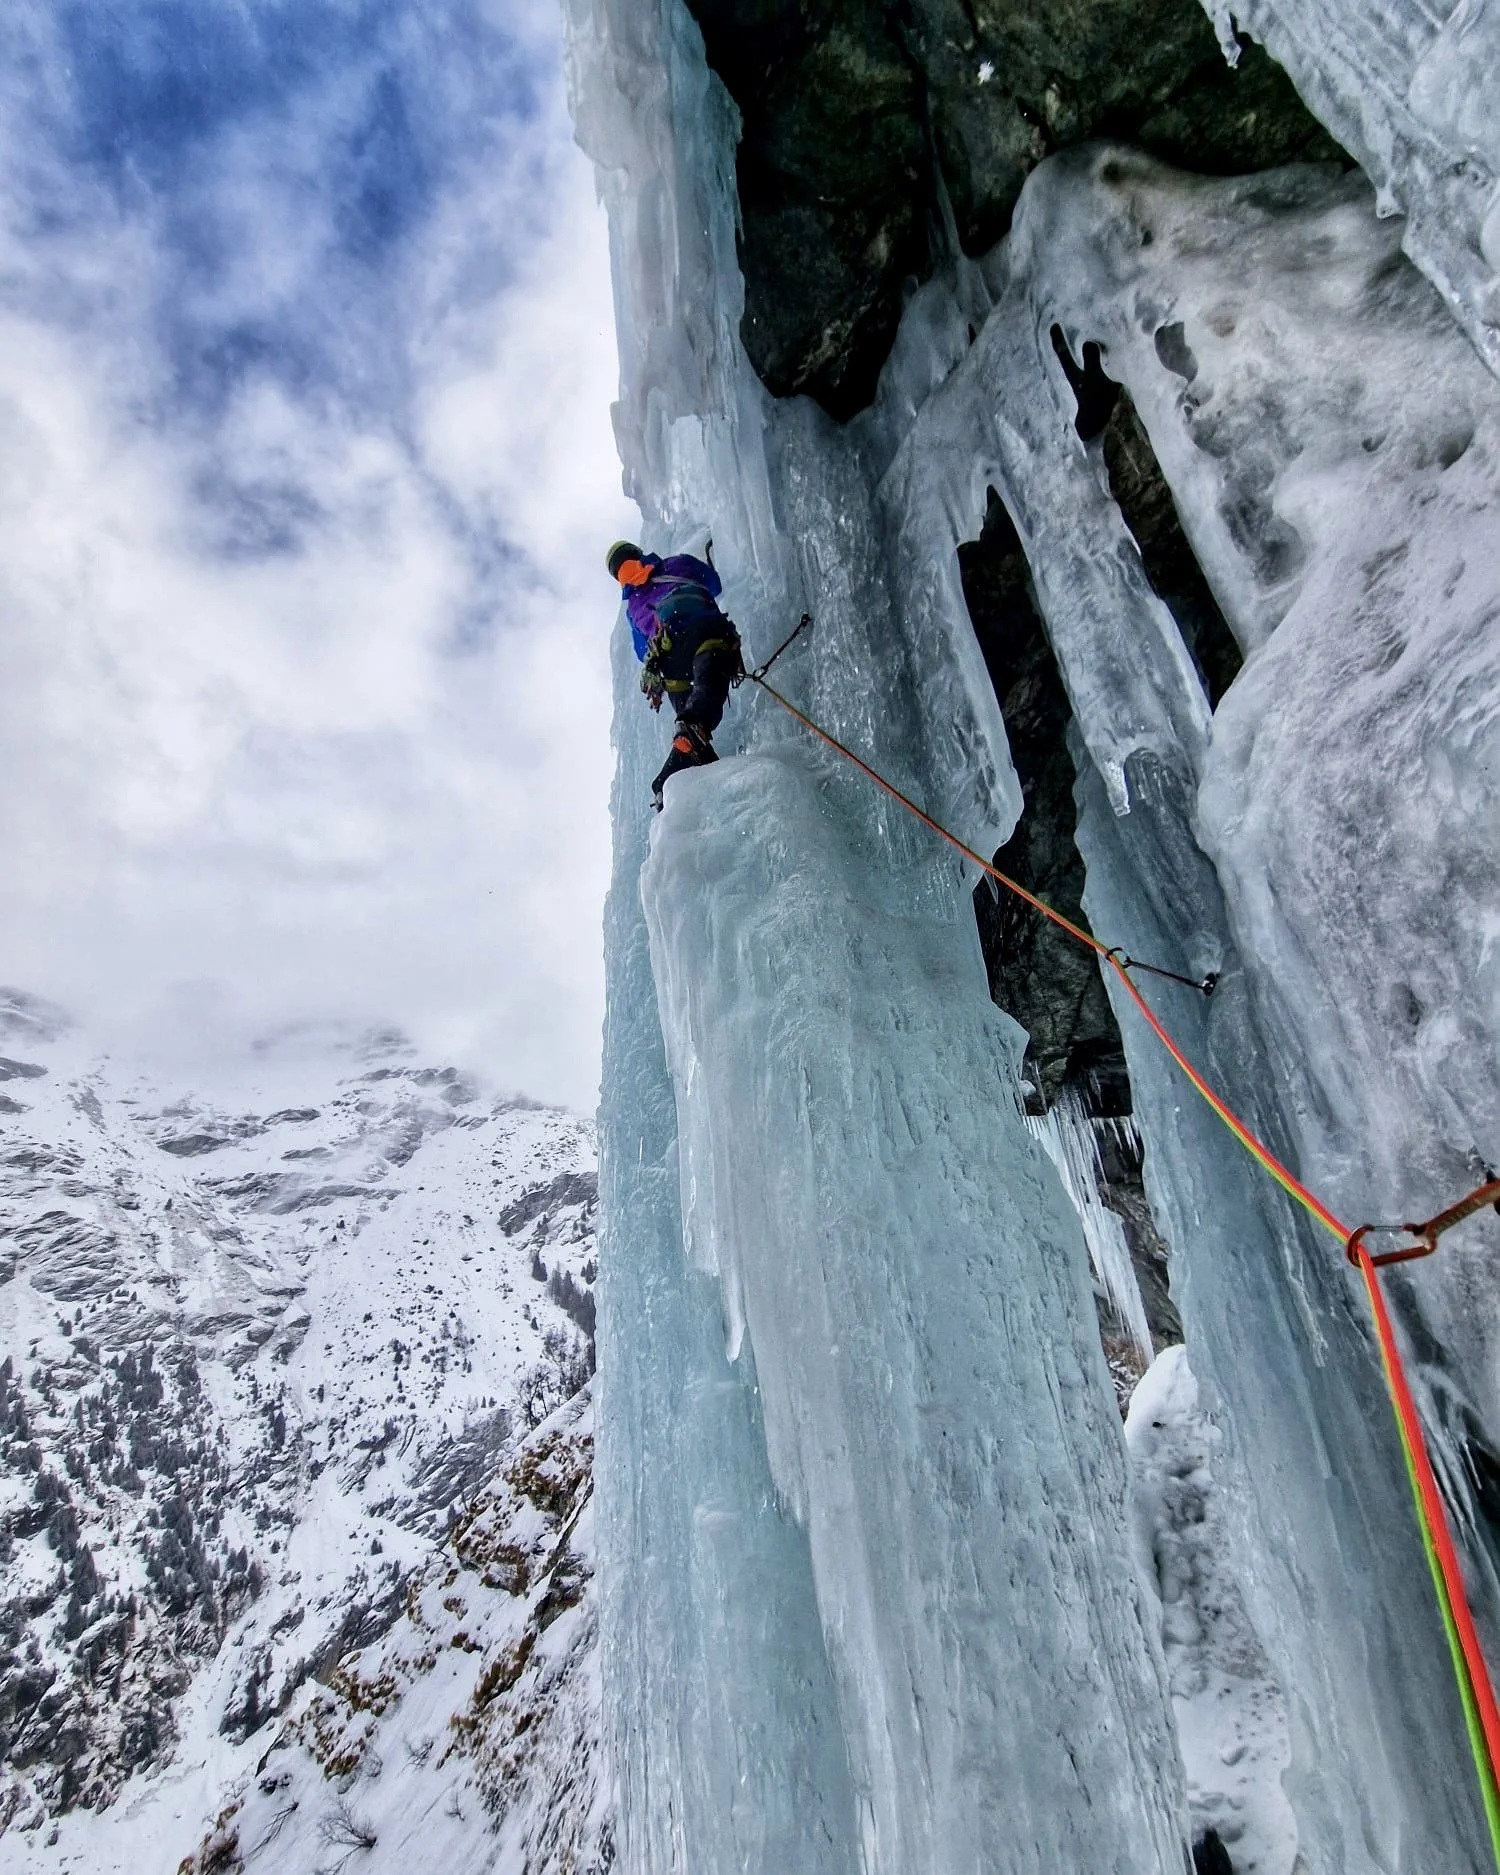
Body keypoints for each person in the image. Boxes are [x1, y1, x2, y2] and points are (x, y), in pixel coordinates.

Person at [607, 539, 742, 809]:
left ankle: (691, 757)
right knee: (709, 673)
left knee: (685, 697)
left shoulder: (633, 607)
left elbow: (640, 649)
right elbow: (713, 583)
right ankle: (692, 732)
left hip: (668, 658)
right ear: (637, 553)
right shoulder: (675, 564)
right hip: (703, 628)